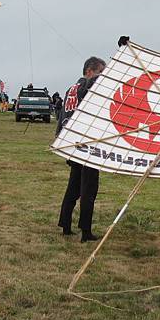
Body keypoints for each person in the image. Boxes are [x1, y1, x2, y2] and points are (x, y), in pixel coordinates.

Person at [56, 56, 107, 242]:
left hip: (71, 143)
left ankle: (66, 225)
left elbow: (61, 116)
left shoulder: (71, 89)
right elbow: (93, 83)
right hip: (86, 145)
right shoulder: (87, 86)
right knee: (88, 190)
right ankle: (86, 231)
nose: (103, 77)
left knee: (73, 187)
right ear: (89, 71)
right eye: (101, 72)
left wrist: (59, 138)